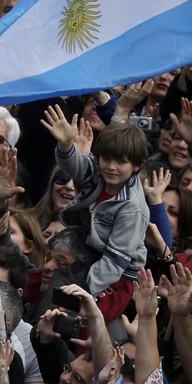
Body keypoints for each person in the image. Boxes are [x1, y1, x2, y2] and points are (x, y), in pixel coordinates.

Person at [42, 105, 149, 310]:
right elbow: (76, 166)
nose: (111, 167)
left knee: (76, 313)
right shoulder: (99, 173)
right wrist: (65, 145)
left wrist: (83, 291)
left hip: (119, 276)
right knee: (53, 291)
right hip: (90, 252)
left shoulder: (132, 208)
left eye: (121, 162)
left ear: (137, 165)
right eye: (106, 159)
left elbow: (115, 261)